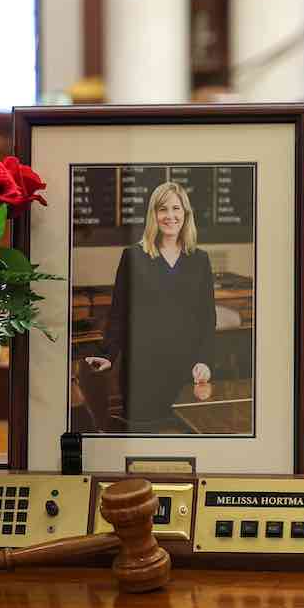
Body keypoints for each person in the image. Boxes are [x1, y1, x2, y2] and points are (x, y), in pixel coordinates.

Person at [84, 180, 216, 430]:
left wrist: (205, 361)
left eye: (176, 209)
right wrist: (108, 355)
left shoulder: (200, 260)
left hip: (185, 372)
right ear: (153, 215)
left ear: (185, 214)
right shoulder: (133, 256)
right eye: (162, 209)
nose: (170, 216)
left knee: (185, 444)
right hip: (142, 371)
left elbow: (207, 319)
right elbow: (119, 314)